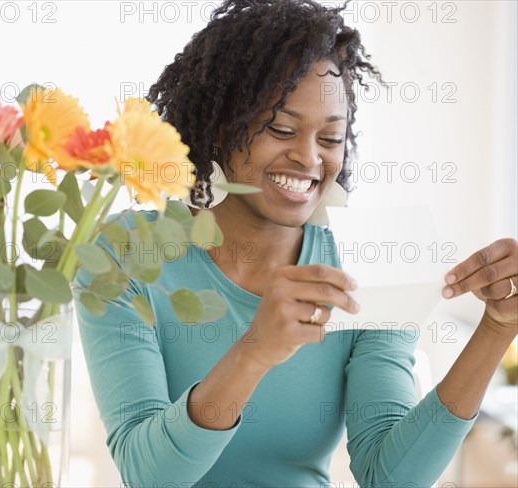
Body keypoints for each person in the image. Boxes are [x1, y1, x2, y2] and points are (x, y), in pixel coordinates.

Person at [74, 1, 518, 487]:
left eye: (330, 138)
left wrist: (496, 330)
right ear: (220, 126)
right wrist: (256, 350)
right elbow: (149, 474)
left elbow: (390, 478)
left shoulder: (367, 265)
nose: (309, 158)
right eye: (281, 129)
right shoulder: (126, 252)